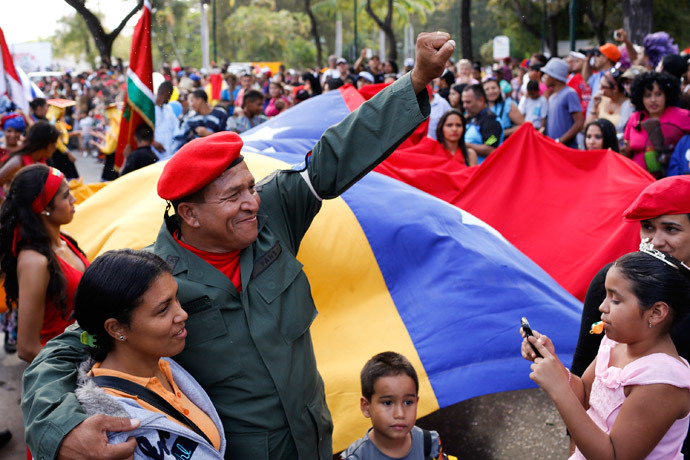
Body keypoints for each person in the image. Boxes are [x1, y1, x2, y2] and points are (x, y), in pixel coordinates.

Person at [21, 32, 456, 460]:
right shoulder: (152, 282)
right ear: (189, 214)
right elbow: (62, 349)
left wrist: (415, 80)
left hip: (313, 440)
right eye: (233, 196)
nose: (252, 203)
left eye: (250, 186)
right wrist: (60, 430)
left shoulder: (273, 214)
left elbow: (334, 156)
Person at [522, 248, 690, 459]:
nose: (602, 307)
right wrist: (550, 361)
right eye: (605, 295)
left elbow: (613, 455)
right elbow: (584, 395)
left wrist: (558, 389)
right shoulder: (614, 343)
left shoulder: (662, 382)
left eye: (616, 300)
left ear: (656, 312)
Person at [73, 249, 226, 459]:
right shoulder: (109, 432)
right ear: (117, 329)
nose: (182, 314)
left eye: (176, 299)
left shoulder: (162, 362)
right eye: (163, 310)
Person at [0, 164, 87, 363]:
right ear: (44, 207)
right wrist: (79, 369)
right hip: (64, 371)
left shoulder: (65, 240)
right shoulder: (35, 262)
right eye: (66, 196)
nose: (74, 200)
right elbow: (28, 348)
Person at [340, 352, 446, 459]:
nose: (400, 414)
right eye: (388, 403)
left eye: (408, 402)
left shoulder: (428, 444)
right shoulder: (356, 457)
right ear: (366, 407)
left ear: (417, 402)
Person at [623, 71, 690, 176]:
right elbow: (626, 150)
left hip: (671, 178)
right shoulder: (634, 118)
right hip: (637, 178)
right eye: (648, 95)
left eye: (658, 94)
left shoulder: (683, 116)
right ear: (640, 98)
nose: (653, 100)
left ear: (666, 95)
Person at [0, 121, 59, 190]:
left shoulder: (38, 160)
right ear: (47, 144)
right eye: (54, 143)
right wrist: (5, 200)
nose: (56, 147)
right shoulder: (18, 162)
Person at [542, 58, 584, 148]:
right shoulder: (552, 97)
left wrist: (561, 141)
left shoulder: (569, 94)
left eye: (547, 74)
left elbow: (579, 122)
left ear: (555, 77)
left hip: (566, 150)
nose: (544, 77)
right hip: (554, 148)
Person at [462, 84, 503, 162]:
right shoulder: (470, 117)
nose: (464, 106)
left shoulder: (492, 122)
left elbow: (490, 148)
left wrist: (464, 145)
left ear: (481, 100)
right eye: (463, 102)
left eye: (468, 102)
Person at [586, 67, 633, 136]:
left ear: (615, 89)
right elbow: (587, 127)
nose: (599, 88)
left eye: (603, 86)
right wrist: (594, 106)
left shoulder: (628, 105)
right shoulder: (600, 100)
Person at [152, 80, 179, 160]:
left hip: (169, 152)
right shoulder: (150, 108)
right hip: (153, 152)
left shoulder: (169, 109)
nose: (169, 98)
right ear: (164, 92)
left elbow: (176, 129)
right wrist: (152, 142)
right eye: (169, 95)